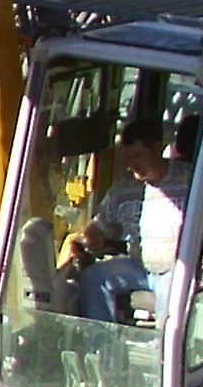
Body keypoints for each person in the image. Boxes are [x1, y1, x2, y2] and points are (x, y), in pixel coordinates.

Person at [69, 131, 186, 324]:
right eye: (128, 157)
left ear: (157, 149)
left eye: (138, 156)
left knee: (172, 299)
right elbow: (100, 225)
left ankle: (165, 349)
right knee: (94, 278)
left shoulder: (187, 179)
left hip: (176, 266)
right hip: (139, 265)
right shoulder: (124, 186)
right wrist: (85, 240)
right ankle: (100, 343)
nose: (133, 164)